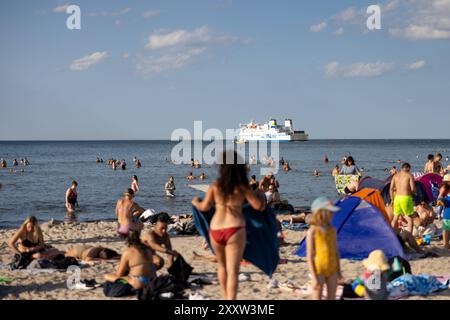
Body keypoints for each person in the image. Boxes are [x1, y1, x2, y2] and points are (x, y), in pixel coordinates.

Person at [191, 151, 265, 300]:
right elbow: (258, 206)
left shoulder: (215, 186)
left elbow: (204, 207)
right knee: (233, 271)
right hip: (234, 229)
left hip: (216, 229)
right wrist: (260, 198)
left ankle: (225, 297)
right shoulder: (242, 187)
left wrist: (195, 202)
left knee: (222, 267)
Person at [306, 197, 341, 300]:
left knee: (331, 297)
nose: (332, 215)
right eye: (330, 212)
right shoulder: (313, 231)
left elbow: (335, 251)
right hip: (318, 269)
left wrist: (339, 271)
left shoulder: (332, 230)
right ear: (321, 213)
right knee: (317, 294)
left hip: (332, 267)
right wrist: (313, 275)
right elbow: (310, 255)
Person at [390, 163, 416, 234]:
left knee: (395, 218)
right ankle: (410, 236)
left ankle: (391, 234)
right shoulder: (409, 175)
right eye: (409, 169)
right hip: (406, 198)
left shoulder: (395, 176)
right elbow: (413, 189)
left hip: (397, 198)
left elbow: (391, 189)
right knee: (409, 218)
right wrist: (414, 193)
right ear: (407, 168)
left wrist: (392, 199)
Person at [437, 174, 450, 248]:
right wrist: (439, 213)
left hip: (446, 215)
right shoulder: (445, 194)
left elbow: (440, 203)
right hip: (446, 215)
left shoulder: (444, 193)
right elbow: (441, 203)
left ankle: (446, 244)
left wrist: (439, 213)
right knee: (446, 231)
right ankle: (446, 244)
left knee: (446, 231)